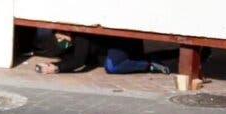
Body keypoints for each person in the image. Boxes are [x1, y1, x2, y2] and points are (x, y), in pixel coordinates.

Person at [36, 35, 174, 75]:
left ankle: (149, 65)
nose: (61, 41)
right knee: (103, 62)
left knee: (112, 67)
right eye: (58, 39)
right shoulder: (68, 40)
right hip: (108, 49)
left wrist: (56, 68)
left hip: (123, 42)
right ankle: (147, 59)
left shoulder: (80, 35)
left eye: (61, 37)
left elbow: (79, 61)